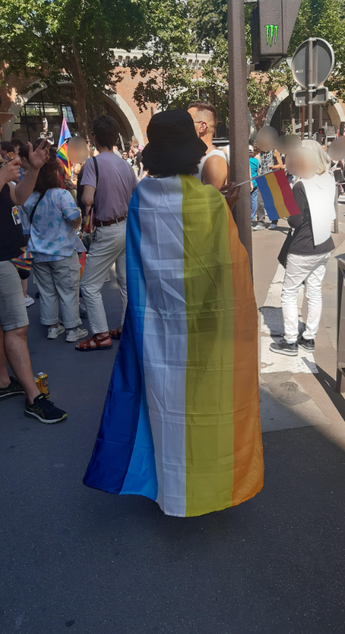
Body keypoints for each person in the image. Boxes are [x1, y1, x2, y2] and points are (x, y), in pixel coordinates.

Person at [83, 110, 264, 517]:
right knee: (206, 405)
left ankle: (168, 486)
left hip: (156, 326)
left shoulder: (142, 196)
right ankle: (210, 481)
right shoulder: (206, 201)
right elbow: (226, 267)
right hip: (203, 323)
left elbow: (136, 262)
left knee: (161, 406)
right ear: (189, 154)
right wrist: (223, 207)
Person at [0, 142, 67, 423]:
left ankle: (4, 381)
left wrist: (34, 170)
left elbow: (17, 198)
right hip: (1, 260)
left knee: (6, 326)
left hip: (8, 255)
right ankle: (34, 397)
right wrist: (3, 176)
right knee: (18, 328)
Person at [76, 115, 137, 351]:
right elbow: (135, 193)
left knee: (90, 285)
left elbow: (88, 199)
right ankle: (124, 326)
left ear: (94, 139)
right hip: (126, 226)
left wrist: (84, 194)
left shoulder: (94, 163)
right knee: (124, 281)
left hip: (107, 229)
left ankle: (101, 335)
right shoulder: (125, 163)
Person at [270, 141, 335, 357]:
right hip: (324, 245)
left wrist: (285, 207)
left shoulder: (301, 185)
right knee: (314, 291)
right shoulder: (328, 179)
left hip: (303, 247)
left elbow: (295, 222)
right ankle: (309, 337)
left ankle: (289, 341)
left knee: (289, 292)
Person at [20, 153, 88, 343]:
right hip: (63, 252)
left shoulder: (27, 198)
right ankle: (72, 329)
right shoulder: (61, 195)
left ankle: (52, 327)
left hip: (38, 253)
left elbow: (25, 229)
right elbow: (75, 219)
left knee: (47, 291)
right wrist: (76, 223)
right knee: (68, 291)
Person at [188, 101, 229, 190]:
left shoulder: (215, 160)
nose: (183, 126)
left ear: (202, 127)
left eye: (187, 122)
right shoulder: (196, 158)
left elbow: (209, 202)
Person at [254, 143, 284, 231]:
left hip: (272, 178)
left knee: (272, 201)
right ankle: (260, 222)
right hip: (262, 177)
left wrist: (272, 167)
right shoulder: (261, 152)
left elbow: (281, 166)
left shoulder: (275, 151)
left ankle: (274, 221)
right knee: (260, 201)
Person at [249, 144, 260, 225]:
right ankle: (252, 216)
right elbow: (259, 166)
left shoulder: (245, 161)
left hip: (247, 182)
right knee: (254, 200)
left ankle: (248, 215)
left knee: (248, 200)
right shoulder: (256, 160)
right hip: (255, 182)